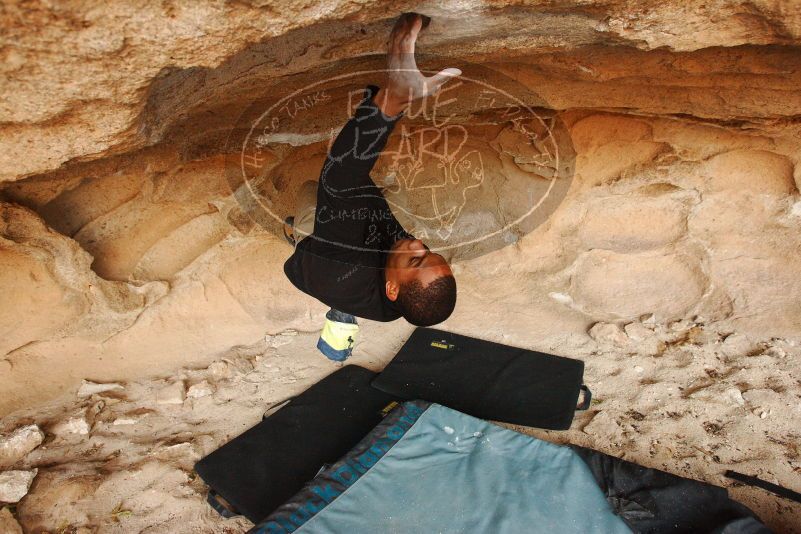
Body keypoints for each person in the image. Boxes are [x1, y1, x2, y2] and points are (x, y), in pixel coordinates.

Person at [283, 13, 460, 361]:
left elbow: (338, 178)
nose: (418, 243)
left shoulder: (347, 262)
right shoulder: (399, 306)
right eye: (428, 251)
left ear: (392, 287)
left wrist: (391, 103)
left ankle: (294, 234)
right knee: (380, 200)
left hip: (317, 257)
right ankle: (342, 307)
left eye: (415, 259)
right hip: (355, 279)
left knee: (318, 189)